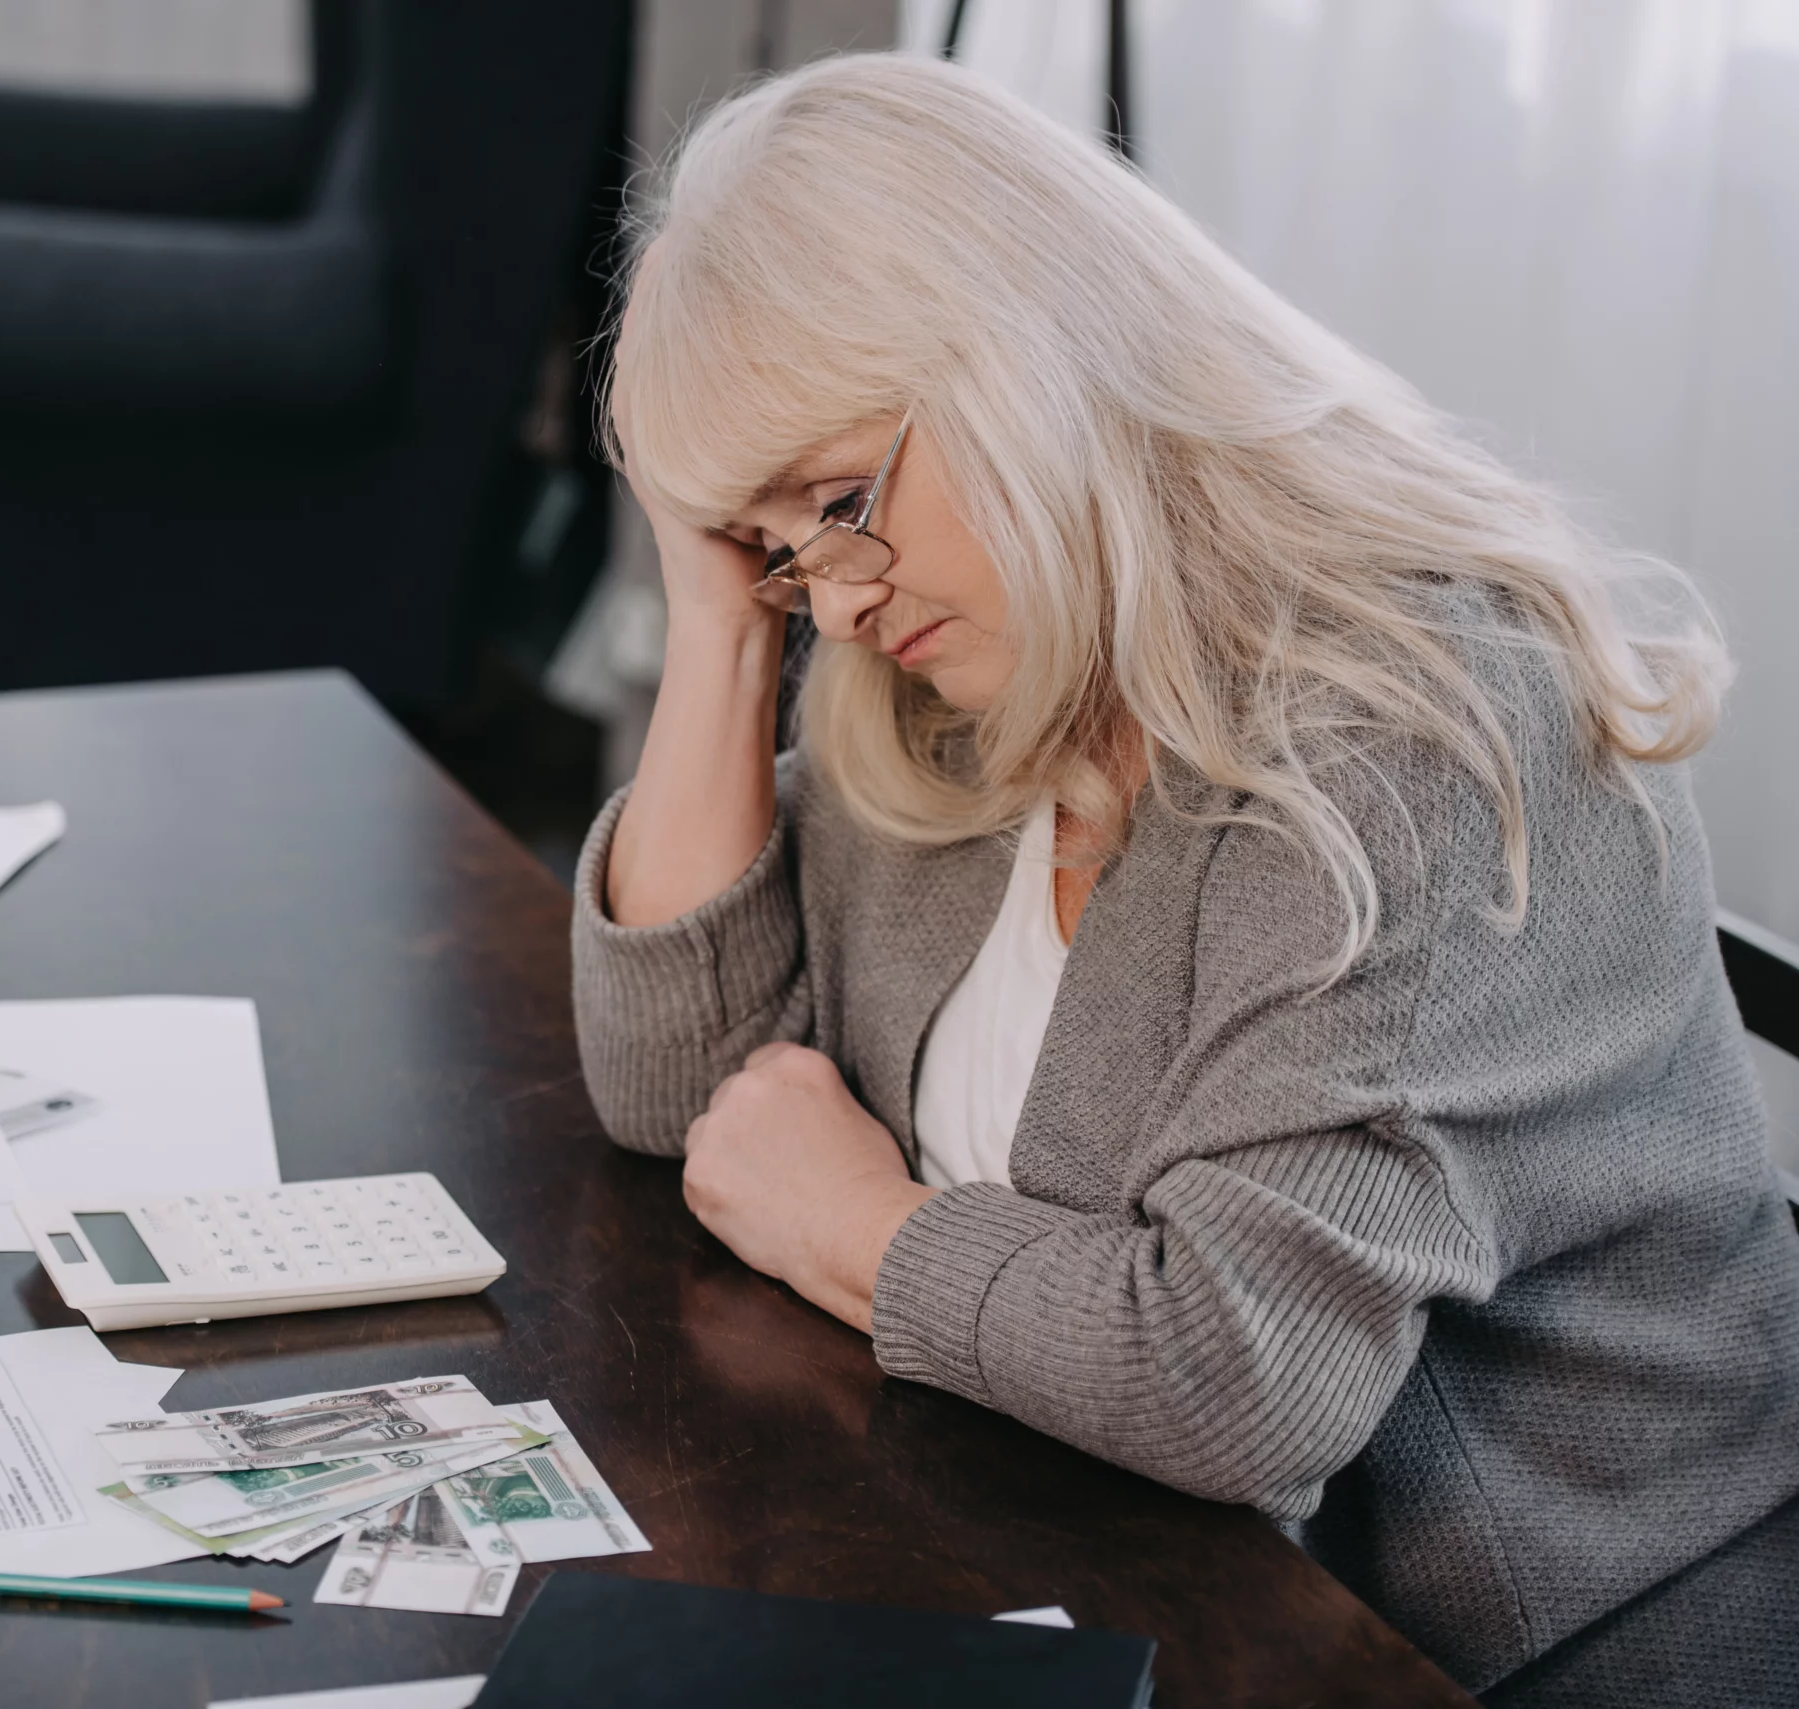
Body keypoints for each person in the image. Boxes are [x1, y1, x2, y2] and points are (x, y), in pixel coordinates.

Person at [572, 53, 1799, 1707]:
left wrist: (854, 1219)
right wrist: (721, 610)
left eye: (840, 502)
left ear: (1031, 354)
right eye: (781, 540)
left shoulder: (1420, 739)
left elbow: (1235, 1371)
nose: (836, 603)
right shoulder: (961, 670)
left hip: (1503, 1662)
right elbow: (684, 1095)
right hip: (1098, 1576)